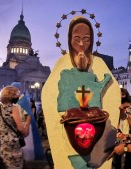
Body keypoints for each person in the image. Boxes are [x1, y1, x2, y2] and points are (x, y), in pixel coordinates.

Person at [42, 16, 120, 169]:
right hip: (69, 131)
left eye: (86, 39)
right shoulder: (62, 63)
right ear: (69, 39)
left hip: (97, 133)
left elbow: (113, 93)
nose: (81, 44)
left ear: (92, 40)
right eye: (76, 38)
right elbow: (49, 95)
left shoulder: (98, 63)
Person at [0, 86, 30, 169]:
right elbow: (21, 129)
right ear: (11, 95)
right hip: (11, 145)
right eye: (17, 94)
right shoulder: (13, 108)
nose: (19, 97)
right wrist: (28, 120)